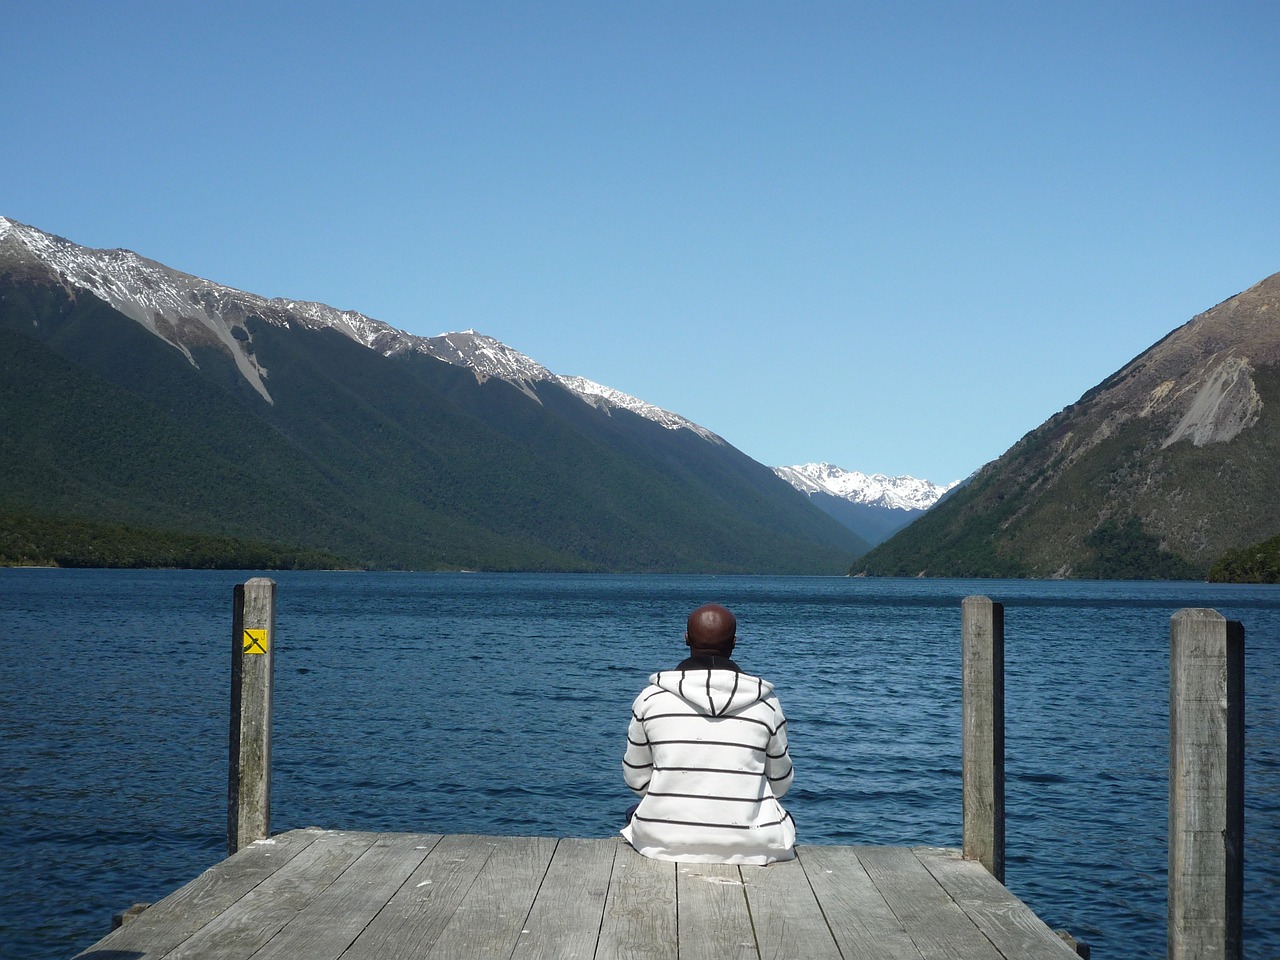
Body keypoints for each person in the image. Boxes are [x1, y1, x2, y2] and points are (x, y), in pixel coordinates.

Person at [621, 602, 795, 864]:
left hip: (662, 842)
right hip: (753, 846)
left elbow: (637, 782)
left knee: (634, 811)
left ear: (686, 638)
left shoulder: (651, 699)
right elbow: (780, 785)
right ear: (734, 642)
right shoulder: (766, 705)